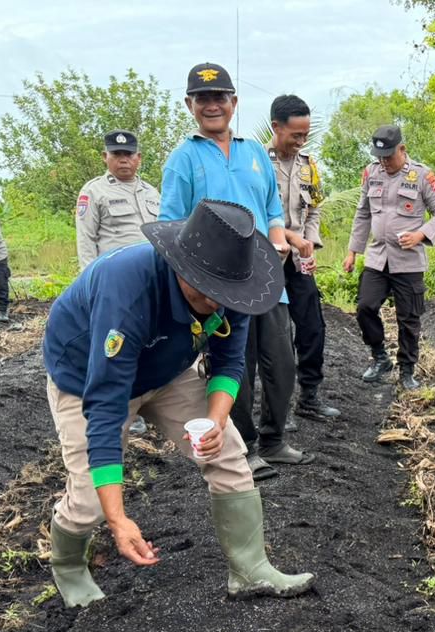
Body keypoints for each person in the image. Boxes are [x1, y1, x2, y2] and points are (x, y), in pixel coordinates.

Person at [42, 198, 314, 607]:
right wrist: (118, 520)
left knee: (229, 451)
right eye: (209, 296)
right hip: (87, 379)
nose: (220, 304)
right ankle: (68, 567)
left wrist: (217, 422)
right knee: (89, 498)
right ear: (180, 268)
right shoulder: (127, 290)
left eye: (228, 296)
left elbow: (229, 360)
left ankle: (250, 569)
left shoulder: (234, 285)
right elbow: (105, 408)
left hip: (166, 370)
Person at [161, 63, 310, 479]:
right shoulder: (183, 159)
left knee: (281, 361)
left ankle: (276, 439)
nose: (213, 106)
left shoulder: (254, 152)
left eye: (220, 98)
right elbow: (172, 224)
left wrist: (279, 237)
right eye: (203, 99)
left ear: (234, 103)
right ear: (190, 104)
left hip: (265, 279)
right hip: (217, 286)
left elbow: (272, 210)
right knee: (234, 365)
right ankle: (243, 448)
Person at [344, 124, 435, 391]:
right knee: (365, 307)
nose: (384, 162)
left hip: (409, 260)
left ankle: (407, 370)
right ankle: (380, 357)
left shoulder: (422, 176)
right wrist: (352, 251)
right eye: (380, 156)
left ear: (402, 149)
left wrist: (420, 235)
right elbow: (363, 213)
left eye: (389, 156)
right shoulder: (371, 173)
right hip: (378, 257)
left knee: (408, 319)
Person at [268, 94, 340, 423]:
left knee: (312, 327)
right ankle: (276, 407)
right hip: (264, 262)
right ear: (276, 128)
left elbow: (314, 209)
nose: (301, 141)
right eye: (295, 135)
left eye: (305, 135)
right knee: (275, 337)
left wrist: (309, 240)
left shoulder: (308, 166)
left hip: (297, 262)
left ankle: (309, 396)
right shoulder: (257, 164)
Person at [75, 130, 161, 270]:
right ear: (105, 156)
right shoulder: (94, 191)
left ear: (139, 157)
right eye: (116, 154)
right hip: (114, 273)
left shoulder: (151, 192)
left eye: (128, 154)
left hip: (152, 271)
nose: (123, 160)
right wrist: (89, 279)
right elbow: (86, 239)